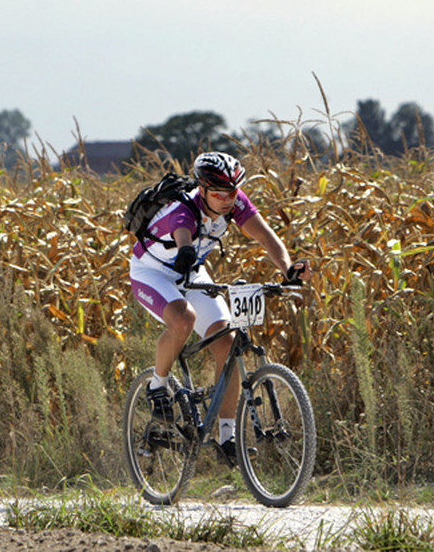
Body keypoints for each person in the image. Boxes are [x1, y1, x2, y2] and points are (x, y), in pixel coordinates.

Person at [129, 152, 311, 461]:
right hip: (152, 272)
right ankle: (158, 386)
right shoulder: (184, 210)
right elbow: (183, 234)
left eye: (233, 192)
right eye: (219, 194)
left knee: (227, 342)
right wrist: (185, 250)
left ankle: (228, 439)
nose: (228, 200)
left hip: (190, 271)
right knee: (183, 319)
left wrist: (288, 269)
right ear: (202, 189)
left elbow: (265, 236)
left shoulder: (234, 202)